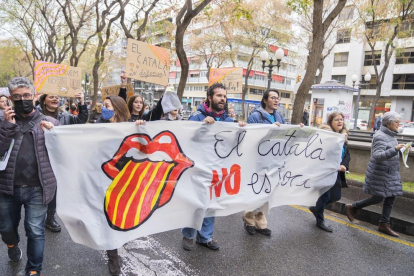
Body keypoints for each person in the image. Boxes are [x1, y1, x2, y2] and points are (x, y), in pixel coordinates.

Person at [0, 77, 58, 276]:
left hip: (37, 188)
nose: (22, 99)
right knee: (6, 227)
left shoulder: (50, 122)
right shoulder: (1, 121)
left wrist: (54, 135)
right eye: (17, 97)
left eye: (26, 95)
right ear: (10, 98)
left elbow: (63, 155)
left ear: (34, 96)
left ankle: (33, 270)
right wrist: (7, 126)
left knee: (35, 231)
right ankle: (11, 244)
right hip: (7, 187)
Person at [181, 82, 246, 252]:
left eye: (224, 96)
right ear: (210, 97)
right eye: (219, 95)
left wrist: (241, 130)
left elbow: (235, 144)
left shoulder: (229, 120)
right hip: (198, 168)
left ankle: (205, 237)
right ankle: (188, 234)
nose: (222, 99)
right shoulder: (197, 116)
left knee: (211, 203)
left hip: (218, 169)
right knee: (196, 203)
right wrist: (202, 126)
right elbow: (186, 139)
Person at [345, 112, 410, 237]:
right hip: (381, 172)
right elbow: (377, 155)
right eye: (396, 122)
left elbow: (390, 151)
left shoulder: (391, 135)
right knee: (379, 197)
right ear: (387, 123)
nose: (399, 124)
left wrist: (402, 150)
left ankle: (383, 223)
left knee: (390, 197)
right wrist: (395, 149)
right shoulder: (380, 136)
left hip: (390, 172)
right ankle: (353, 207)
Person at [37, 92, 88, 232]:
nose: (55, 98)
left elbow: (81, 120)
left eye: (56, 97)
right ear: (43, 100)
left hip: (57, 157)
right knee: (38, 187)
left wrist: (82, 102)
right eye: (51, 96)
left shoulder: (64, 116)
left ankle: (50, 217)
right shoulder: (36, 115)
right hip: (39, 155)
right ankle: (36, 216)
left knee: (54, 186)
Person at [95, 95, 134, 275]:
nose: (104, 109)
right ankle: (113, 257)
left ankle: (118, 239)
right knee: (109, 216)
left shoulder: (132, 126)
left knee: (122, 215)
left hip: (126, 179)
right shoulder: (98, 125)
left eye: (107, 106)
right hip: (104, 178)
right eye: (104, 106)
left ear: (117, 109)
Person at [243, 89, 285, 237]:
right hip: (258, 160)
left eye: (278, 98)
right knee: (256, 191)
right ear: (265, 100)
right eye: (273, 98)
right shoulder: (256, 116)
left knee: (267, 192)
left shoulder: (278, 115)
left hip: (273, 160)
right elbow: (250, 138)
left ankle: (260, 221)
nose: (276, 100)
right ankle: (249, 220)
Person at [309, 112, 350, 232]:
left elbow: (347, 155)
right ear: (330, 122)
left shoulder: (343, 136)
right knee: (325, 195)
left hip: (337, 173)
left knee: (336, 196)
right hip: (325, 172)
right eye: (337, 119)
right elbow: (322, 153)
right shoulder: (326, 136)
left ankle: (316, 208)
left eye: (341, 119)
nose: (340, 121)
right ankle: (320, 220)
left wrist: (343, 165)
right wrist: (334, 165)